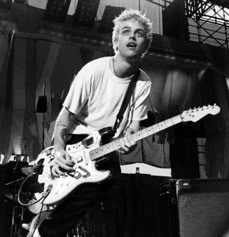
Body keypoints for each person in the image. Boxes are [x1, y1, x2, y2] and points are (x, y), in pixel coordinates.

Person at [36, 8, 153, 237]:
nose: (132, 36)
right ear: (115, 41)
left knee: (120, 199)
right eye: (126, 31)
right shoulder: (93, 71)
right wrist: (59, 150)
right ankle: (44, 233)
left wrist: (130, 139)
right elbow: (64, 119)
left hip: (109, 144)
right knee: (90, 189)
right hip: (78, 140)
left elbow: (133, 127)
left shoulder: (143, 82)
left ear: (145, 45)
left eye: (139, 33)